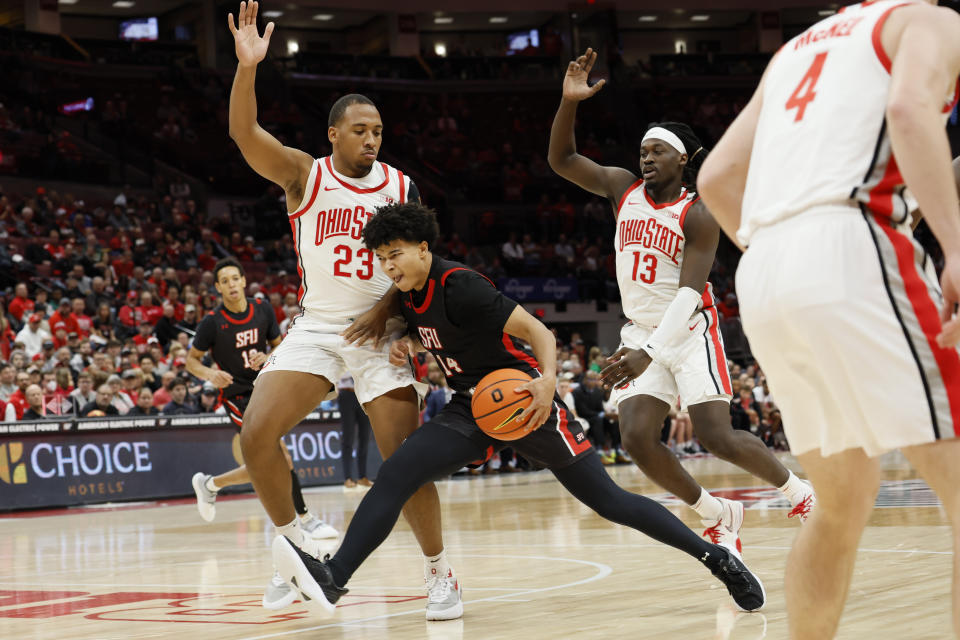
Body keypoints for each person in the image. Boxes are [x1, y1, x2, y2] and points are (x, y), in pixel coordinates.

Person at [270, 201, 766, 618]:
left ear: (424, 249)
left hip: (524, 399)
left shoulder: (461, 285)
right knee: (398, 472)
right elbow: (431, 332)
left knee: (609, 502)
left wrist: (548, 383)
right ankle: (334, 576)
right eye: (381, 258)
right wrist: (404, 341)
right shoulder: (406, 296)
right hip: (472, 408)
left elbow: (539, 333)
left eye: (395, 254)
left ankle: (715, 557)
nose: (388, 266)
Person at [696, 2, 960, 637]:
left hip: (765, 269)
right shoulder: (931, 21)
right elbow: (907, 110)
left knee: (839, 504)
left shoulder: (796, 49)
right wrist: (954, 247)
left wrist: (791, 260)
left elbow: (717, 177)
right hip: (854, 242)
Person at [225, 1, 459, 620]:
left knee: (403, 462)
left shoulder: (400, 185)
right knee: (256, 434)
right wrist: (248, 68)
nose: (372, 138)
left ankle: (441, 574)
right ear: (334, 134)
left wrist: (392, 313)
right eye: (360, 130)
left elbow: (419, 264)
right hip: (321, 326)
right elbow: (244, 135)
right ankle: (299, 548)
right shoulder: (305, 175)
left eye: (378, 131)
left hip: (383, 332)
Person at [547, 48, 815, 556]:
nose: (645, 157)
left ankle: (798, 493)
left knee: (717, 435)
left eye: (656, 151)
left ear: (683, 160)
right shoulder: (621, 187)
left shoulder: (698, 213)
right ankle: (717, 513)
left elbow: (690, 292)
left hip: (691, 329)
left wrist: (652, 351)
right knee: (637, 437)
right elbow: (561, 160)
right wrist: (568, 103)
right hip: (640, 329)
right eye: (643, 150)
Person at [187, 258, 336, 609]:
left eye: (235, 278)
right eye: (224, 281)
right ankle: (305, 519)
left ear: (243, 281)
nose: (232, 285)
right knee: (279, 456)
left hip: (264, 386)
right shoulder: (212, 323)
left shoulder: (262, 309)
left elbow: (281, 344)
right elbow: (191, 360)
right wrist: (210, 374)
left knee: (267, 462)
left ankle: (210, 485)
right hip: (236, 395)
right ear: (219, 288)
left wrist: (266, 357)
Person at [337, 375, 372, 489]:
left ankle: (362, 477)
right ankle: (347, 478)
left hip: (363, 394)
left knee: (365, 436)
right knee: (348, 438)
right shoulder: (346, 356)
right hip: (346, 393)